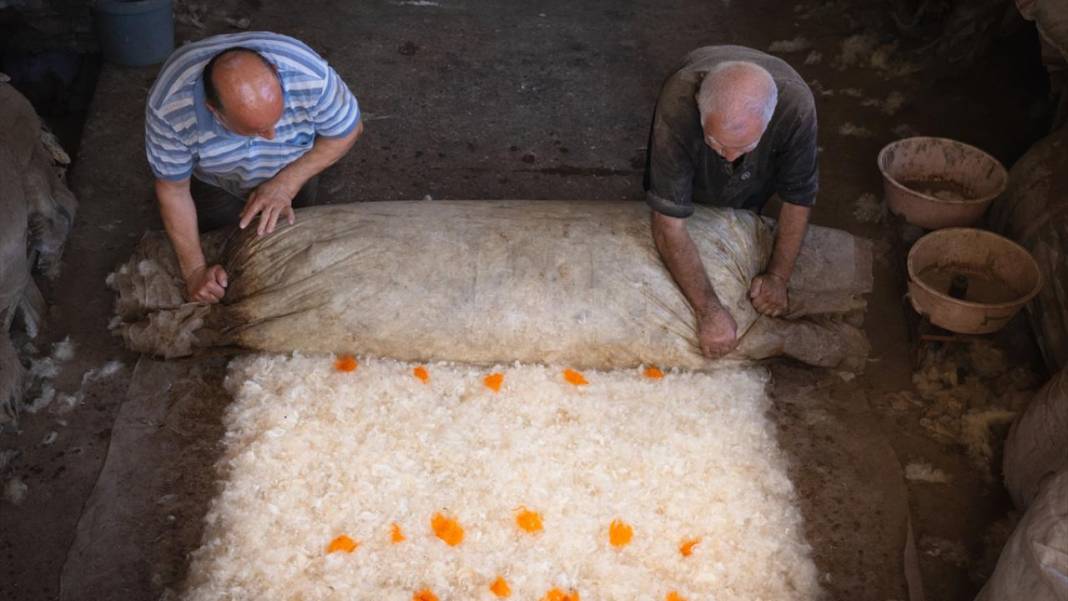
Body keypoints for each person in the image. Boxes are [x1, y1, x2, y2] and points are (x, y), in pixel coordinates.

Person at [145, 32, 363, 304]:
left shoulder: (308, 75)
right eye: (257, 130)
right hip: (217, 179)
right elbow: (173, 190)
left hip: (291, 163)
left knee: (293, 242)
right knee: (226, 251)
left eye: (276, 118)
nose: (272, 135)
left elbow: (347, 130)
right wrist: (195, 272)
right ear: (214, 111)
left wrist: (287, 182)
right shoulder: (170, 107)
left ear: (275, 72)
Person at [644, 46, 818, 359]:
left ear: (768, 122)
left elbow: (797, 198)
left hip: (762, 154)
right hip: (692, 136)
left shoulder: (796, 108)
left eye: (744, 145)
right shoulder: (680, 102)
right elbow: (667, 224)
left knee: (745, 199)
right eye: (716, 142)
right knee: (680, 200)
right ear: (700, 108)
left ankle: (743, 164)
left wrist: (778, 276)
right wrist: (708, 311)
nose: (729, 154)